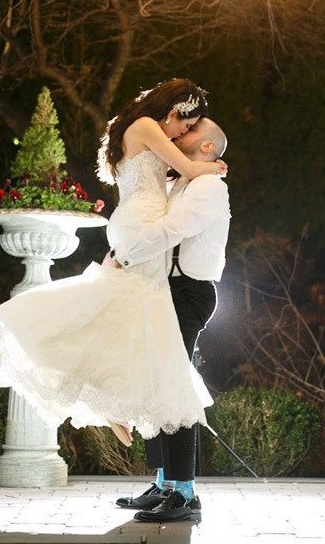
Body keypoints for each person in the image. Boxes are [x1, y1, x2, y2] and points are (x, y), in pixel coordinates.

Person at [0, 78, 227, 444]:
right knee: (138, 320)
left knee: (121, 318)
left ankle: (114, 404)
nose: (183, 133)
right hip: (142, 222)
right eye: (186, 124)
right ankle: (116, 405)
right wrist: (216, 167)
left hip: (132, 221)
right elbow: (191, 168)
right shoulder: (148, 127)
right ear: (175, 111)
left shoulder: (138, 130)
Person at [110, 117, 230, 522]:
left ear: (209, 148)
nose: (181, 133)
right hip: (164, 290)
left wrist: (125, 254)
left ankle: (185, 492)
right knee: (156, 382)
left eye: (193, 131)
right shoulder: (181, 182)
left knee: (174, 385)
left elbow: (173, 229)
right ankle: (164, 482)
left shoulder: (211, 187)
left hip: (190, 292)